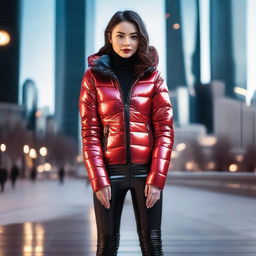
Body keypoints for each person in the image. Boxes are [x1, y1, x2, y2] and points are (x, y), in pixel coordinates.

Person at [79, 10, 174, 256]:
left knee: (152, 247)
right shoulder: (92, 77)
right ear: (109, 37)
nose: (127, 43)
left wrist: (156, 179)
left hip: (146, 175)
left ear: (140, 39)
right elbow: (89, 132)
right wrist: (98, 180)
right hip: (109, 174)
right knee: (106, 248)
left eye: (133, 37)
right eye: (120, 36)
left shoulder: (153, 77)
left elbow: (165, 130)